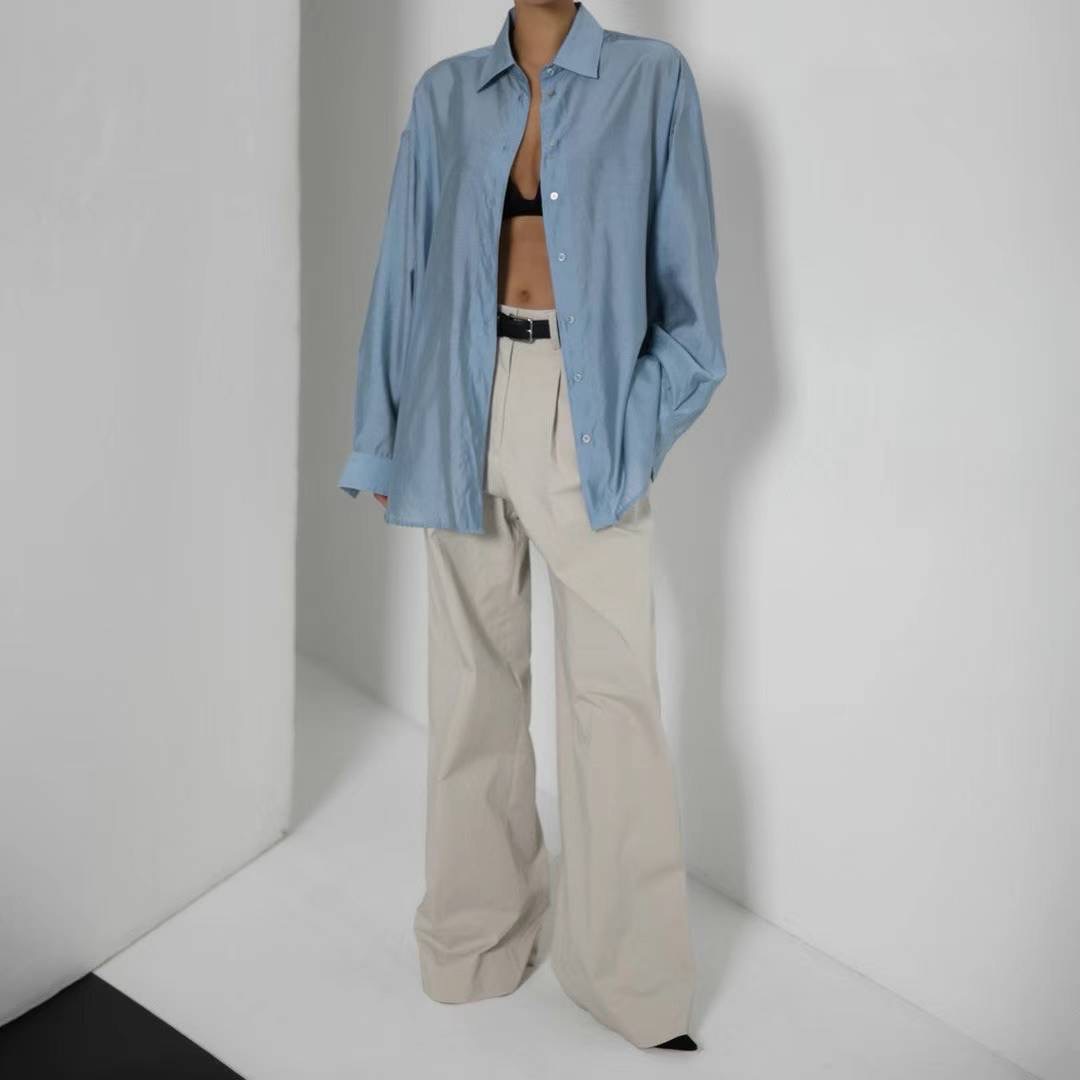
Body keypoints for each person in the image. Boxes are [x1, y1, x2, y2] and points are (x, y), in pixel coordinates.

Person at [339, 0, 726, 1053]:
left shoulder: (653, 84)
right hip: (457, 405)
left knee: (614, 699)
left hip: (586, 413)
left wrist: (632, 429)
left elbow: (694, 317)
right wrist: (384, 439)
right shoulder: (446, 97)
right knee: (472, 690)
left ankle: (633, 982)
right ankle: (477, 940)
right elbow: (402, 273)